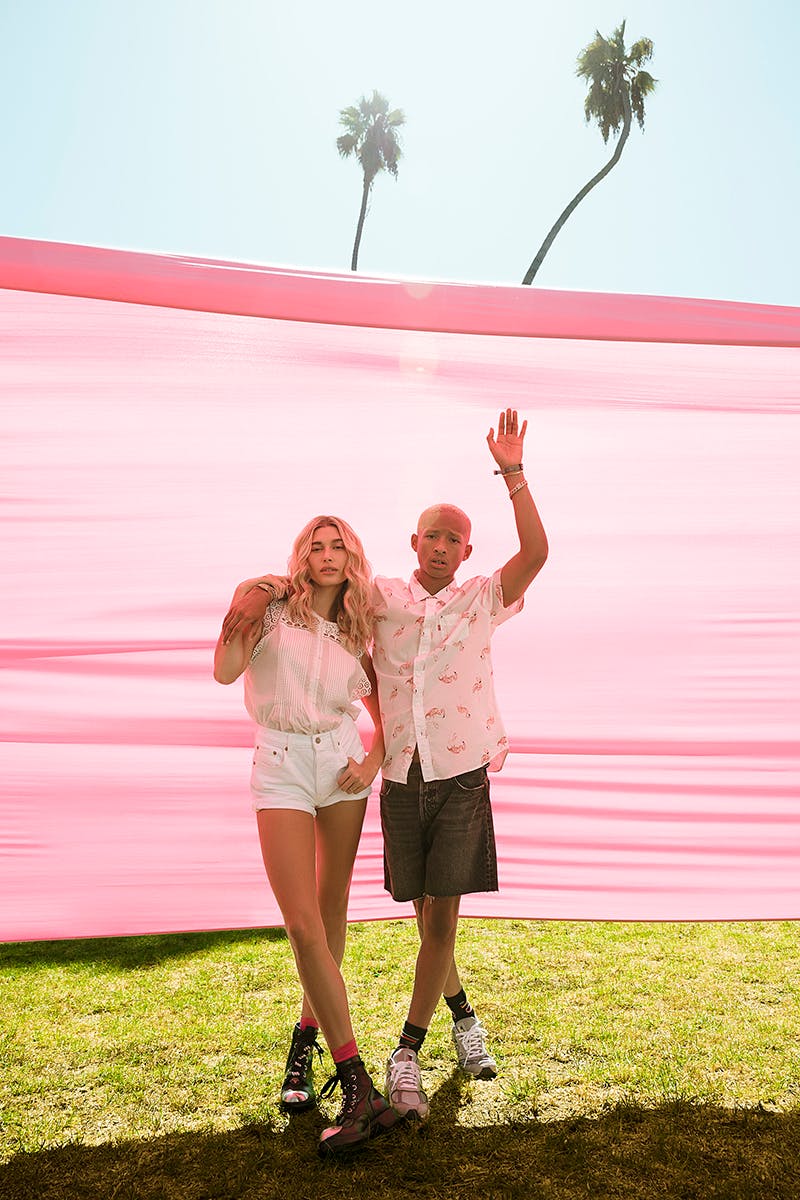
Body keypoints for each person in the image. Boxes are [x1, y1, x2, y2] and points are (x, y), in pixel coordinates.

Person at [222, 409, 548, 1120]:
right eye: (430, 532)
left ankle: (410, 1049)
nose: (440, 544)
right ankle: (460, 1015)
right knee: (425, 915)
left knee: (437, 921)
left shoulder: (481, 597)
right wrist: (260, 588)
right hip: (398, 774)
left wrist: (514, 473)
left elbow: (537, 556)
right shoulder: (383, 598)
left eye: (453, 537)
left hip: (458, 769)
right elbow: (311, 584)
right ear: (413, 542)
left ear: (466, 550)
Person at [214, 515, 399, 1156]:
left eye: (337, 546)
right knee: (301, 925)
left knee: (330, 912)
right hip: (283, 767)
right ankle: (356, 1082)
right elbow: (224, 671)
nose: (326, 555)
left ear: (351, 559)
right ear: (300, 556)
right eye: (315, 546)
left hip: (341, 769)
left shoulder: (357, 632)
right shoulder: (269, 608)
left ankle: (305, 1043)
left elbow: (385, 716)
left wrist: (371, 763)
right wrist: (243, 608)